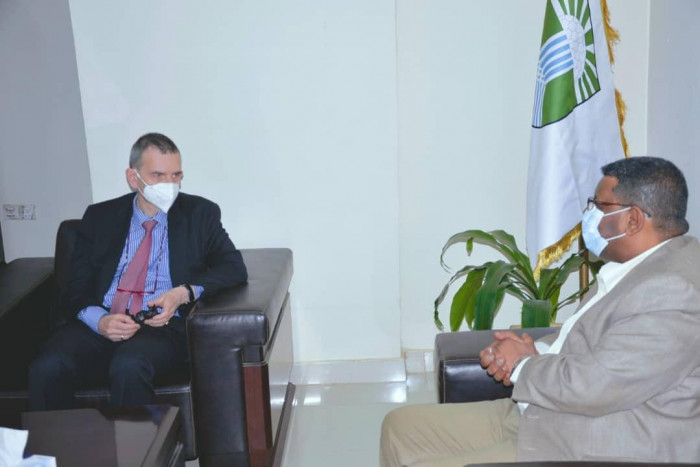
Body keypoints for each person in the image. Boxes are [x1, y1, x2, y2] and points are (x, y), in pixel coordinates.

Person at [381, 156, 700, 465]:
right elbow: (591, 341)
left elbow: (595, 386)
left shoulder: (673, 291)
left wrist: (521, 363)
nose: (589, 215)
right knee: (399, 428)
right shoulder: (640, 265)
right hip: (546, 413)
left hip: (592, 444)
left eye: (600, 207)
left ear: (633, 220)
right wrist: (535, 349)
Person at [29, 132, 248, 409]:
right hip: (102, 321)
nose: (169, 184)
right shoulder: (100, 217)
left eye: (176, 175)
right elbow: (76, 285)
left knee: (129, 366)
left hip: (160, 327)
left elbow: (233, 267)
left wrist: (182, 294)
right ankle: (56, 440)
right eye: (158, 175)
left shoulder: (200, 214)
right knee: (47, 366)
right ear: (133, 178)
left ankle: (137, 441)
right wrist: (100, 320)